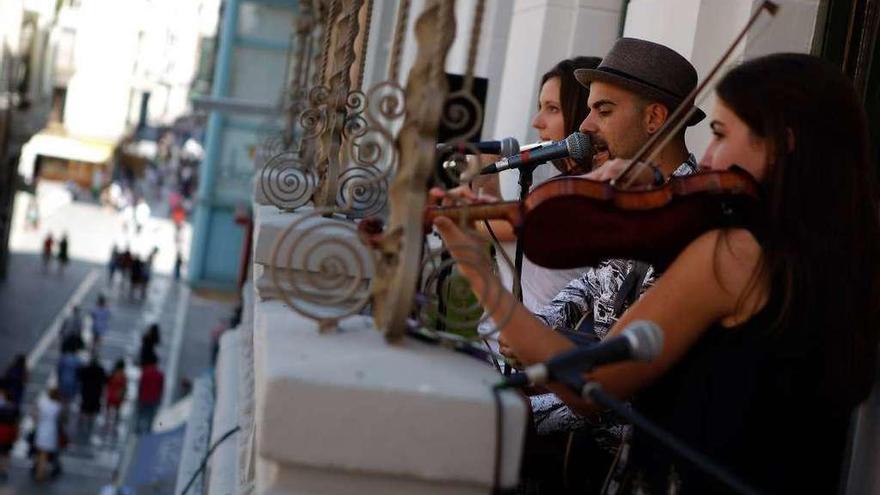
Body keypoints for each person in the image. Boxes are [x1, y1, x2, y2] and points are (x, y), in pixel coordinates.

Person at [435, 53, 880, 494]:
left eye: (721, 135)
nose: (707, 159)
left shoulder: (732, 255)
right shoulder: (839, 258)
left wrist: (476, 266)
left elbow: (593, 384)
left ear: (782, 144)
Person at [468, 56, 601, 312]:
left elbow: (475, 223)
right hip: (505, 342)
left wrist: (466, 183)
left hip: (541, 345)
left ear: (584, 116)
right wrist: (490, 186)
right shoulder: (559, 187)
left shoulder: (577, 193)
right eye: (541, 107)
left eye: (552, 108)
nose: (537, 121)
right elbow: (504, 230)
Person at [32, 388, 63, 480]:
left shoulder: (43, 404)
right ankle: (41, 472)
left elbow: (34, 414)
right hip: (51, 430)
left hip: (41, 429)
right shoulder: (58, 406)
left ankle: (39, 472)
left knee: (41, 452)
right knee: (44, 454)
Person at [78, 355, 106, 443]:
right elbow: (105, 380)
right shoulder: (100, 370)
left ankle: (82, 424)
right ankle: (89, 425)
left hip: (86, 393)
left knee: (84, 409)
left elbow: (80, 377)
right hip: (95, 394)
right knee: (92, 412)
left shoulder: (86, 369)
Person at [136, 353, 163, 434]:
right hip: (153, 399)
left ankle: (138, 432)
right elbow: (160, 389)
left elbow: (140, 386)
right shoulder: (160, 375)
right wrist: (159, 399)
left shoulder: (145, 372)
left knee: (141, 415)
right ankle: (148, 432)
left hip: (143, 398)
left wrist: (139, 397)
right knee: (150, 417)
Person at [104, 359, 126, 438]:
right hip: (118, 396)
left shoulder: (113, 374)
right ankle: (114, 427)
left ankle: (106, 425)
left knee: (108, 412)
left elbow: (107, 384)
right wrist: (123, 396)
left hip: (110, 395)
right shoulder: (123, 376)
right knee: (117, 413)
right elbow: (124, 388)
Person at [0, 388, 19, 479]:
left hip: (2, 429)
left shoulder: (2, 407)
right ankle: (4, 469)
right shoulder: (14, 408)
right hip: (9, 431)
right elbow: (16, 422)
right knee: (6, 452)